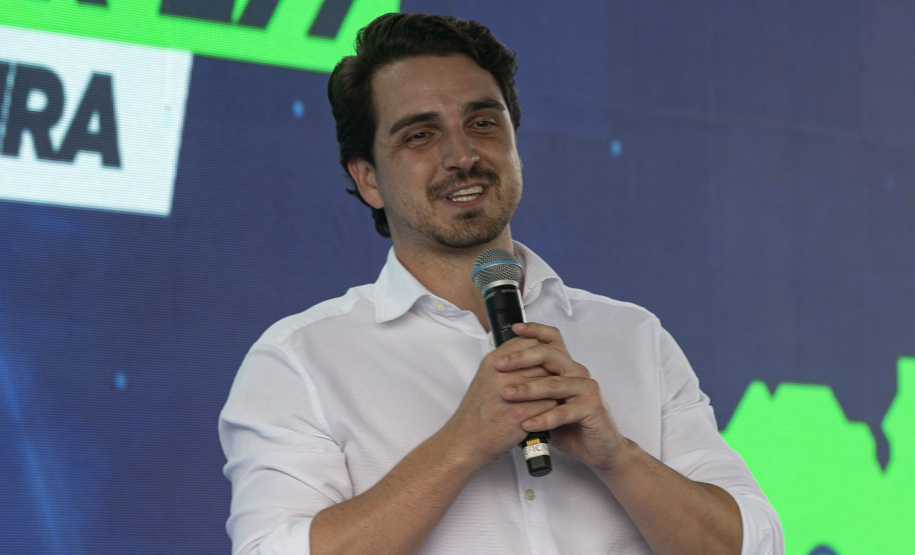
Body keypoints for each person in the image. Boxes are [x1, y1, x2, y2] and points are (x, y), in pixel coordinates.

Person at [219, 12, 784, 554]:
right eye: (420, 135)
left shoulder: (633, 336)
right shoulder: (300, 361)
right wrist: (462, 444)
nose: (462, 155)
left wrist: (618, 457)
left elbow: (755, 547)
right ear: (368, 179)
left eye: (483, 123)